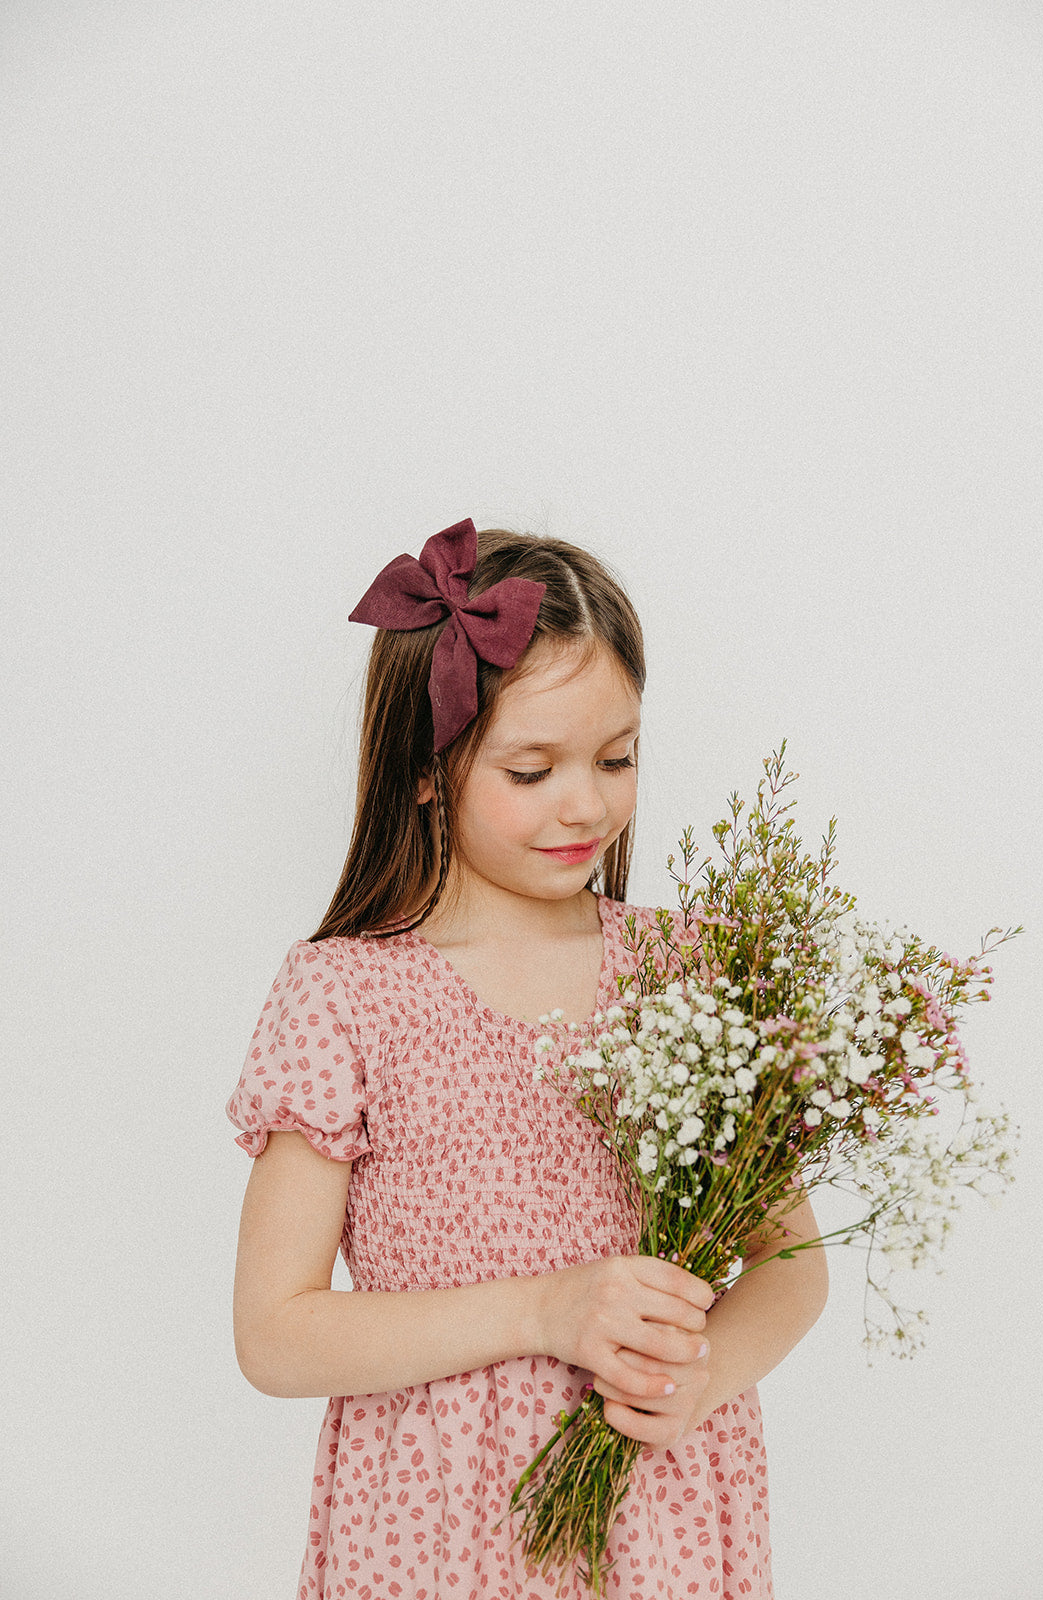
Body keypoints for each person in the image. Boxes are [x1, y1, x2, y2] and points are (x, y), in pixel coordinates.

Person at [227, 518, 828, 1600]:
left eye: (616, 756)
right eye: (531, 767)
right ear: (423, 772)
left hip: (659, 1504)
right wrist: (544, 1309)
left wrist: (700, 1382)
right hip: (435, 1522)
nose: (585, 803)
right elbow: (274, 1334)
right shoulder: (346, 993)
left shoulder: (686, 973)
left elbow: (791, 1262)